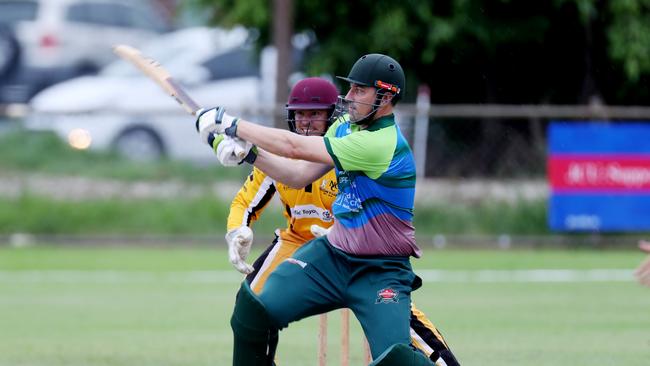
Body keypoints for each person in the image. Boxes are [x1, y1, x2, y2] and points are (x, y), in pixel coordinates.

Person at [197, 54, 441, 365]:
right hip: (332, 255)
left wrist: (231, 125)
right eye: (350, 89)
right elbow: (297, 174)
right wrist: (250, 154)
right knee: (252, 311)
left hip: (380, 269)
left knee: (395, 359)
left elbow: (293, 147)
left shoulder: (382, 142)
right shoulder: (343, 127)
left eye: (360, 91)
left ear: (386, 96)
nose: (349, 98)